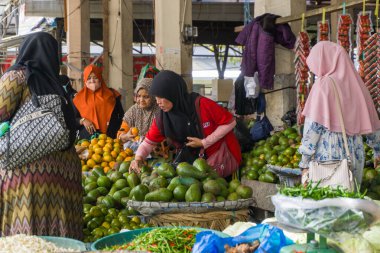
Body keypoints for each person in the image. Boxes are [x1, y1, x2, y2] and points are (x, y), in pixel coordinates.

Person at [0, 32, 82, 239]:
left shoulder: (17, 76)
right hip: (65, 172)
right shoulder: (58, 84)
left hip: (27, 172)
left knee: (27, 239)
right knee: (58, 240)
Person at [129, 70, 242, 177]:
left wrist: (204, 142)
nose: (158, 102)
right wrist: (138, 158)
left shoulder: (202, 105)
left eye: (161, 97)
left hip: (222, 159)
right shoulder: (163, 118)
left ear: (172, 93)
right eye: (156, 98)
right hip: (195, 166)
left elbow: (230, 122)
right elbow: (148, 143)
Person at [299, 41, 380, 185]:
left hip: (329, 157)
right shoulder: (357, 85)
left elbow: (313, 129)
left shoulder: (323, 85)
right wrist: (377, 150)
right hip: (356, 155)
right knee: (350, 203)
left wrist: (304, 163)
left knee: (330, 205)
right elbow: (372, 124)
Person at [73, 64, 124, 139]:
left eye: (95, 77)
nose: (92, 81)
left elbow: (121, 116)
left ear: (100, 78)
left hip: (110, 139)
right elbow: (72, 120)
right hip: (86, 141)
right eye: (89, 78)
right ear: (85, 80)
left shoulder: (112, 95)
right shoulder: (78, 98)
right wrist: (83, 120)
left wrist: (121, 133)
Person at [117, 78, 159, 143]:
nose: (141, 100)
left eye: (146, 97)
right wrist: (125, 136)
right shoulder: (134, 110)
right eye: (139, 96)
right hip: (134, 150)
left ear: (153, 96)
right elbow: (122, 131)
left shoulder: (159, 110)